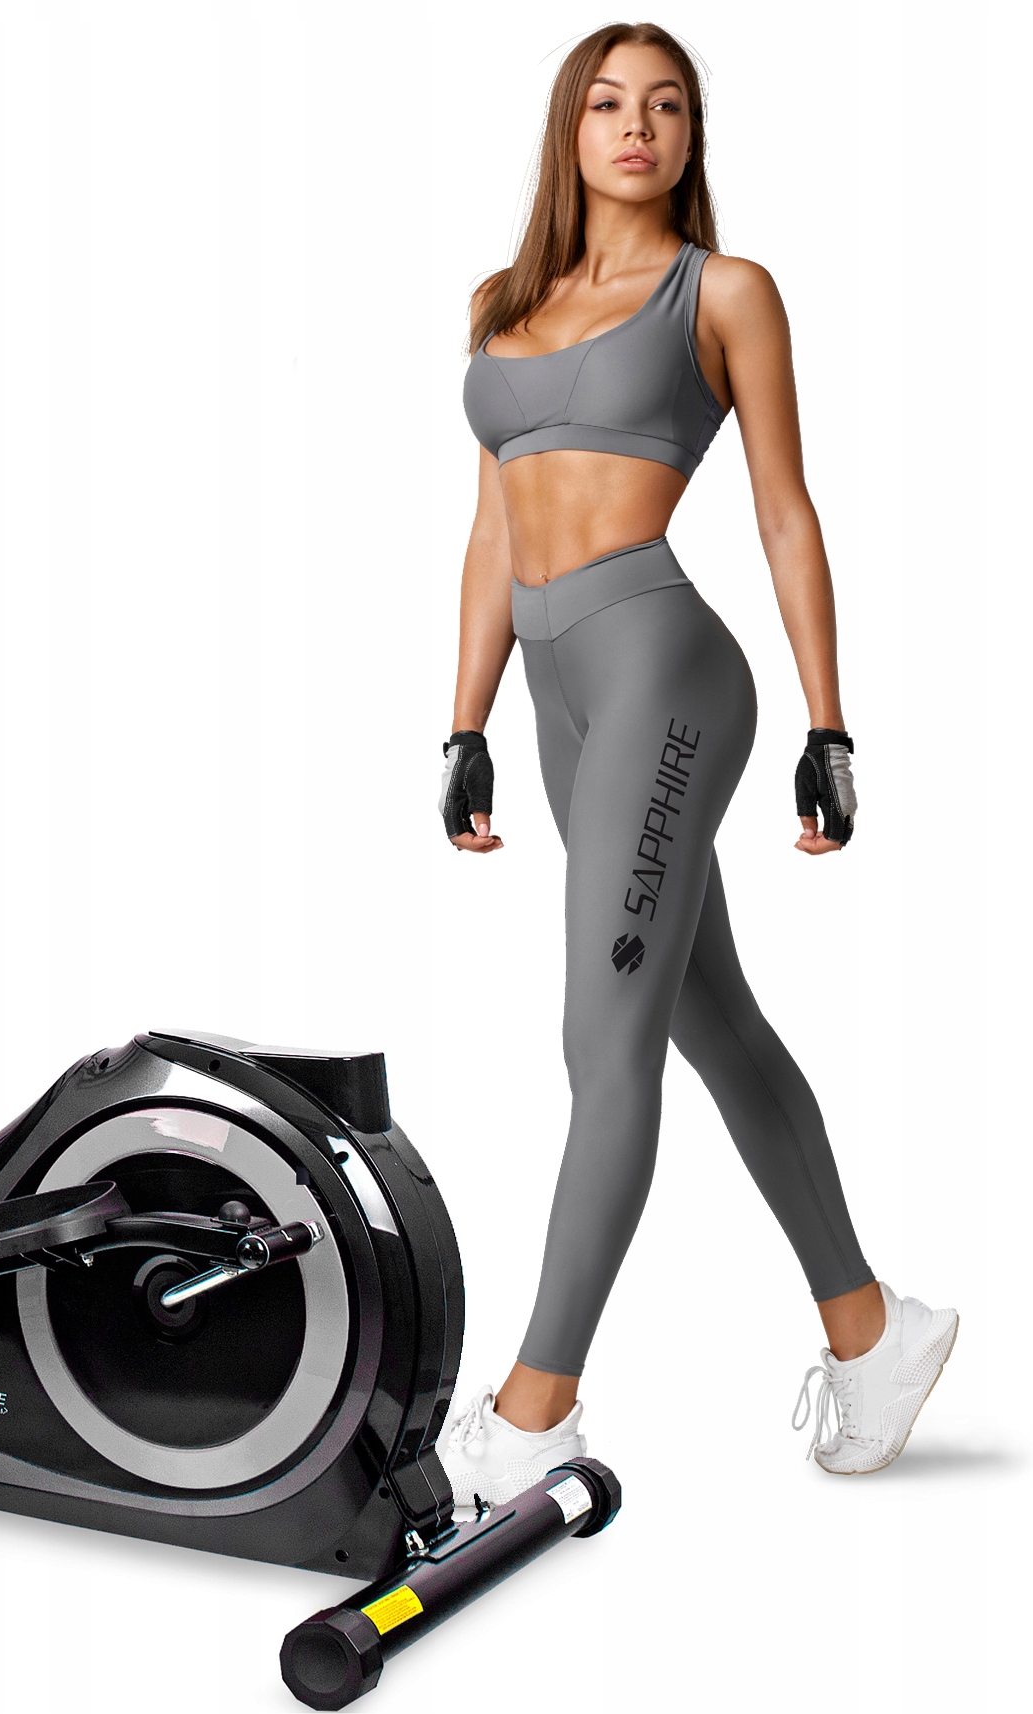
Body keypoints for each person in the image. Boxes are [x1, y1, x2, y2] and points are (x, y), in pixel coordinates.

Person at [435, 20, 955, 1502]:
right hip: (557, 692)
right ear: (570, 128)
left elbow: (784, 506)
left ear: (688, 136)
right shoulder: (500, 304)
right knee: (706, 1018)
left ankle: (531, 1412)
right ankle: (873, 1333)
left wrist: (828, 723)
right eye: (608, 103)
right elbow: (492, 526)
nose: (637, 127)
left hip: (662, 670)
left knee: (600, 1041)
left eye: (665, 106)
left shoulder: (721, 292)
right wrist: (465, 721)